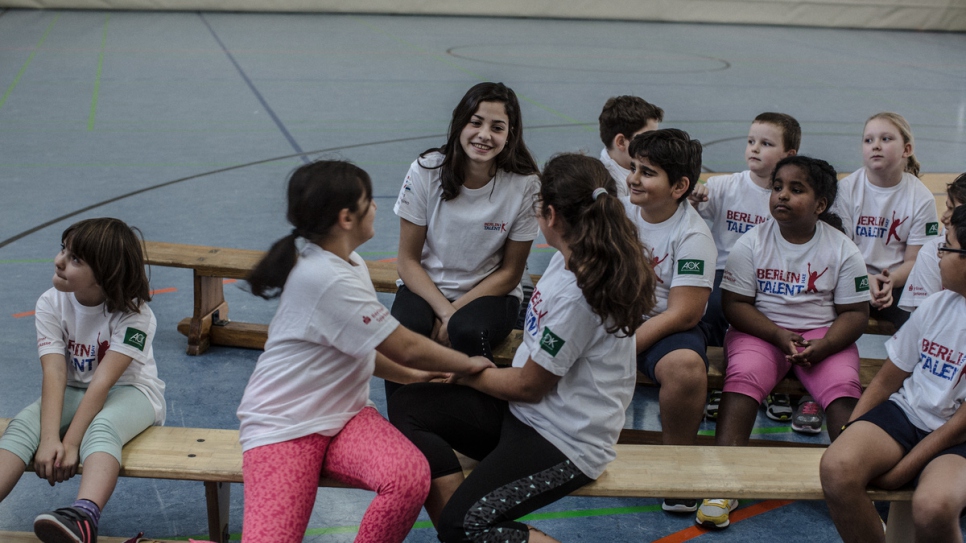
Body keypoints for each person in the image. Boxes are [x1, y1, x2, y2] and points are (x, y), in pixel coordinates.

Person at [388, 154, 656, 543]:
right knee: (408, 405)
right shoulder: (569, 260)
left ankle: (465, 529)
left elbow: (531, 385)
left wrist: (469, 373)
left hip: (565, 440)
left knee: (462, 526)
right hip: (525, 414)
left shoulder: (581, 293)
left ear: (550, 215)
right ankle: (465, 527)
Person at [236, 161, 493, 543]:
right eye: (368, 201)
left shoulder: (349, 263)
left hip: (346, 419)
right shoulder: (322, 276)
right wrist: (468, 363)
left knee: (408, 478)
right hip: (285, 427)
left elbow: (361, 350)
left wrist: (416, 377)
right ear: (345, 217)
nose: (375, 207)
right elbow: (405, 346)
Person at [696, 156, 871, 529]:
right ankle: (722, 481)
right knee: (742, 379)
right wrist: (776, 335)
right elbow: (735, 305)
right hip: (762, 331)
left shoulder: (843, 249)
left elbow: (855, 314)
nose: (782, 196)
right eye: (778, 187)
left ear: (820, 204)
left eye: (796, 189)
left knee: (843, 391)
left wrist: (823, 347)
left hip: (822, 337)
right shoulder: (751, 243)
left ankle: (853, 486)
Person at [0, 218, 166, 543]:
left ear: (105, 274)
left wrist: (72, 442)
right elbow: (55, 372)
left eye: (76, 259)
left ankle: (85, 517)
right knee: (23, 426)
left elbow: (103, 382)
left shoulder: (137, 316)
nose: (59, 261)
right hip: (74, 388)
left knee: (102, 429)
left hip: (132, 392)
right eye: (64, 250)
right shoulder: (51, 302)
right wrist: (49, 438)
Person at [821, 205, 966, 543]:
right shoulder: (938, 304)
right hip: (908, 414)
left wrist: (903, 470)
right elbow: (888, 379)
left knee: (934, 507)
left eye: (947, 247)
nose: (938, 255)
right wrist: (851, 428)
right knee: (837, 468)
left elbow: (959, 425)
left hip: (957, 436)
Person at [388, 81, 541, 399]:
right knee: (403, 333)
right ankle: (406, 426)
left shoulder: (525, 184)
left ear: (509, 135)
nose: (485, 135)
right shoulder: (426, 170)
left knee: (466, 330)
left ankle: (476, 421)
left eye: (497, 127)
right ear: (460, 123)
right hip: (426, 288)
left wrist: (456, 313)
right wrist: (446, 311)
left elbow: (511, 273)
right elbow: (407, 261)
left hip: (491, 294)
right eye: (476, 122)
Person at [623, 128, 717, 514]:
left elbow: (684, 312)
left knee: (686, 369)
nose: (633, 178)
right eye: (633, 167)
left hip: (665, 325)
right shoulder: (620, 211)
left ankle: (677, 465)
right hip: (617, 315)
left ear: (679, 186)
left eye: (647, 172)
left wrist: (625, 349)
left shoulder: (693, 236)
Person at [688, 112, 800, 423]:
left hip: (768, 278)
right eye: (751, 141)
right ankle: (715, 382)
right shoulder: (724, 186)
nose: (754, 148)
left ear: (789, 155)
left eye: (765, 143)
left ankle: (776, 382)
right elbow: (691, 213)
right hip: (724, 272)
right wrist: (696, 198)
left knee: (777, 315)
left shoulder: (789, 197)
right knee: (709, 310)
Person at [831, 112, 940, 329]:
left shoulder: (921, 197)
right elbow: (839, 250)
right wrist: (866, 279)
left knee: (923, 317)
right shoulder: (846, 189)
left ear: (906, 150)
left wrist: (890, 282)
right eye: (868, 140)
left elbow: (914, 260)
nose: (876, 145)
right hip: (852, 275)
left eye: (886, 139)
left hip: (896, 282)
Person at [898, 172, 966, 312]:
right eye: (947, 207)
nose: (943, 217)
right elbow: (924, 322)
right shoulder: (932, 251)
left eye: (952, 209)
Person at [597, 95, 664, 197]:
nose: (654, 144)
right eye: (647, 139)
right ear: (621, 142)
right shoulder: (611, 186)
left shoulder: (639, 160)